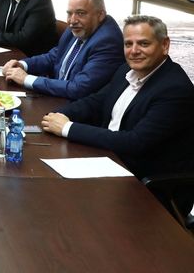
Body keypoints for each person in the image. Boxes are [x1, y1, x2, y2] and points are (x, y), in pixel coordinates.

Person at [41, 15, 194, 211]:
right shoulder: (126, 70)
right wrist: (56, 115)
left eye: (144, 44)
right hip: (108, 162)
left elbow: (135, 142)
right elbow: (96, 101)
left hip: (145, 186)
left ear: (165, 45)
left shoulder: (174, 89)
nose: (134, 51)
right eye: (128, 44)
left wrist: (67, 128)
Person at [1, 0, 124, 99]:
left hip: (76, 108)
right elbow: (54, 56)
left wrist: (26, 79)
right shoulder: (78, 28)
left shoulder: (107, 41)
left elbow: (78, 89)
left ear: (100, 14)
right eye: (69, 13)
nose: (73, 20)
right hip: (55, 95)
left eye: (81, 13)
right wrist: (23, 65)